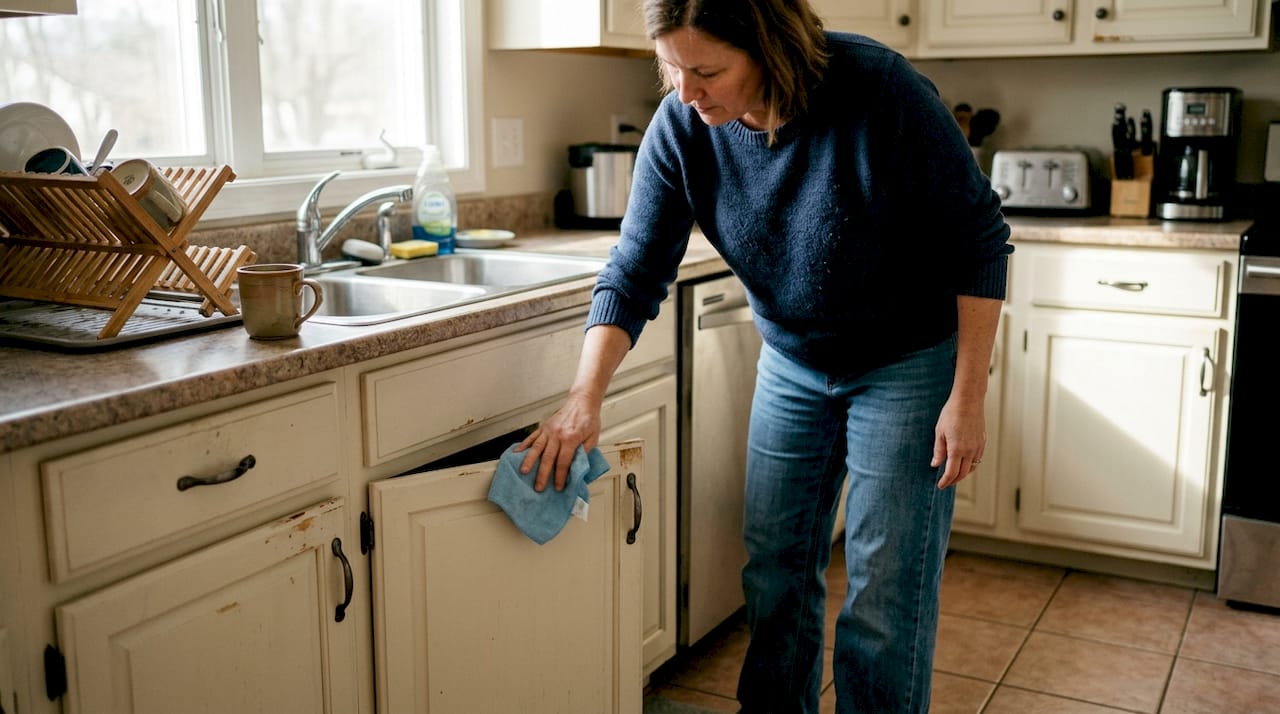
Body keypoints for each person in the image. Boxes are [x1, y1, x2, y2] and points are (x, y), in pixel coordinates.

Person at [516, 0, 1012, 711]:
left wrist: (968, 397)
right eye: (670, 69)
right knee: (775, 573)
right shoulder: (684, 128)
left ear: (769, 48)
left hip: (908, 360)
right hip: (793, 360)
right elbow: (634, 269)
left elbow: (980, 242)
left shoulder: (879, 88)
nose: (686, 92)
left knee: (885, 592)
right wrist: (582, 395)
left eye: (706, 70)